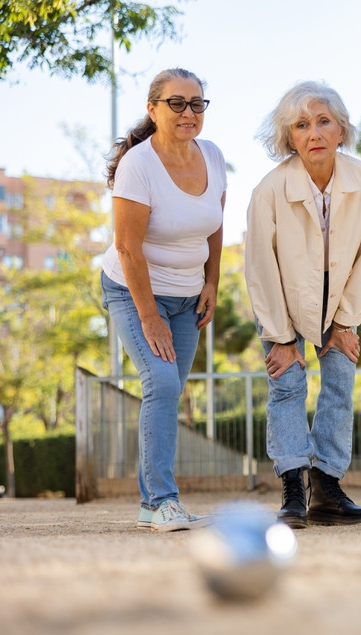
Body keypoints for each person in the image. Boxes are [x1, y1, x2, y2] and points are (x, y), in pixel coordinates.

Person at [245, 81, 361, 529]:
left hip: (338, 292)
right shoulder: (269, 189)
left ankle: (326, 487)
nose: (314, 132)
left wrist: (346, 322)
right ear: (290, 138)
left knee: (340, 378)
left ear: (341, 130)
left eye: (323, 121)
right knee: (287, 382)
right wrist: (282, 338)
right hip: (284, 294)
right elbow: (261, 267)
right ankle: (292, 485)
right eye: (302, 125)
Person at [100, 67, 225, 532]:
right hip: (134, 291)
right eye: (176, 103)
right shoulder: (139, 164)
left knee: (169, 391)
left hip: (188, 294)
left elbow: (214, 226)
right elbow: (129, 248)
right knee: (163, 384)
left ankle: (149, 503)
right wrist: (148, 316)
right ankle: (161, 501)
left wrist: (212, 282)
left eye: (196, 103)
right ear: (153, 109)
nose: (188, 112)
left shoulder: (211, 155)